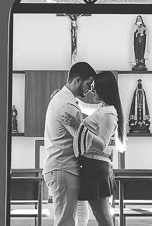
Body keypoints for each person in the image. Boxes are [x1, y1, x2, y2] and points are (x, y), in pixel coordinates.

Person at [61, 70, 126, 226]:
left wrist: (79, 127)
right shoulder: (102, 108)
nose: (92, 90)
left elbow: (102, 144)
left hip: (96, 167)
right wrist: (64, 94)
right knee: (99, 215)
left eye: (95, 87)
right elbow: (83, 106)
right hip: (93, 166)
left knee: (102, 215)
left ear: (104, 90)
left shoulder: (108, 114)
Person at [43, 61, 97, 226]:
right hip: (63, 168)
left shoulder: (66, 98)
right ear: (78, 80)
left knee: (78, 217)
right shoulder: (67, 104)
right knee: (66, 221)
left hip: (64, 168)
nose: (90, 89)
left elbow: (87, 109)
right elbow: (83, 143)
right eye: (88, 84)